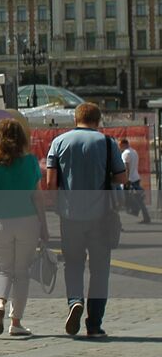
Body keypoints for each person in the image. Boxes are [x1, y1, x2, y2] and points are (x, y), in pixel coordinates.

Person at [45, 102, 127, 338]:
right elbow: (120, 177)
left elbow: (51, 183)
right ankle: (94, 324)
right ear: (98, 120)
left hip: (69, 216)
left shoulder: (59, 142)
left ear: (76, 119)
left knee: (72, 264)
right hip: (101, 216)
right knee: (100, 270)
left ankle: (74, 302)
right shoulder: (108, 143)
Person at [0, 119, 47, 336]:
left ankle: (0, 303)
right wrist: (44, 226)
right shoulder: (30, 162)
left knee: (2, 268)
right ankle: (15, 322)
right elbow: (38, 196)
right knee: (21, 272)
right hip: (27, 220)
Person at [120, 139, 152, 224]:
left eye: (120, 145)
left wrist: (126, 180)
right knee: (138, 199)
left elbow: (127, 168)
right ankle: (145, 216)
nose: (120, 147)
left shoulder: (125, 154)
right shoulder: (134, 152)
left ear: (124, 144)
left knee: (124, 198)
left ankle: (134, 212)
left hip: (130, 180)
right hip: (135, 178)